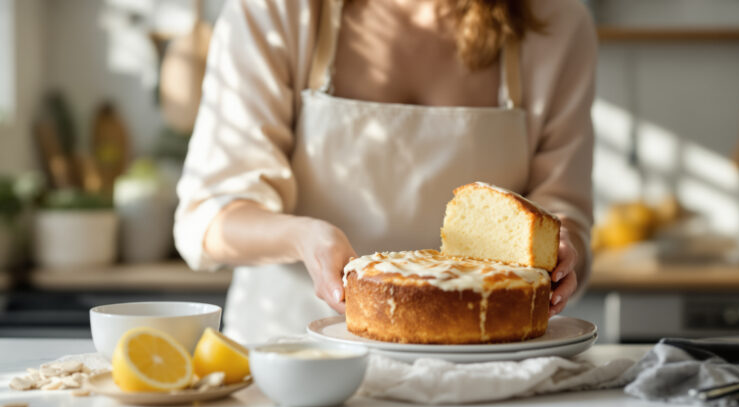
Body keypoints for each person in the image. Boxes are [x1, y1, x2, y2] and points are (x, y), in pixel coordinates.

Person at [175, 0, 597, 344]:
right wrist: (305, 239)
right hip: (293, 362)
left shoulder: (556, 23)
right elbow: (209, 217)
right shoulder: (275, 13)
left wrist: (560, 248)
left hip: (489, 370)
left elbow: (565, 208)